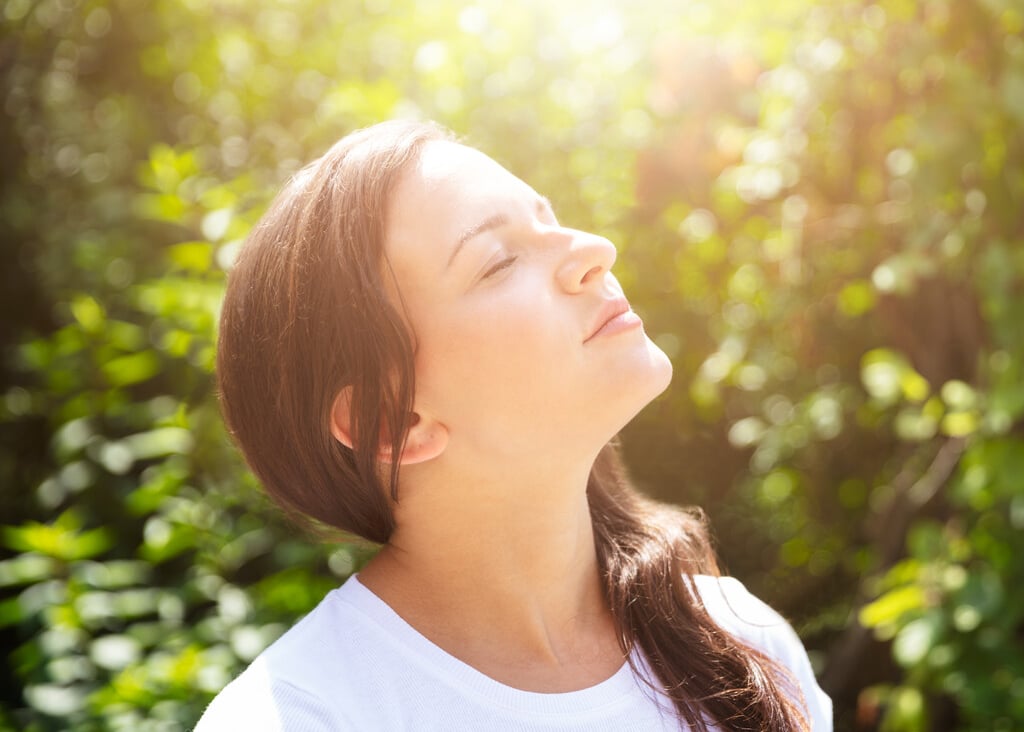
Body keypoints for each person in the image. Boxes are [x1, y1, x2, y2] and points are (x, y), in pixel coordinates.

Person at [196, 119, 833, 731]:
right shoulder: (302, 718)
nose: (595, 250)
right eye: (499, 261)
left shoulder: (742, 646)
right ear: (390, 424)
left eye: (550, 220)